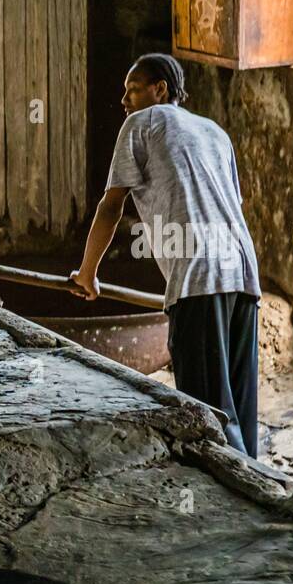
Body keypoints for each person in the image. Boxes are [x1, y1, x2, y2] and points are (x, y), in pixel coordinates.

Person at [69, 53, 262, 458]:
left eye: (133, 89)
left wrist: (87, 272)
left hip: (199, 275)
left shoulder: (141, 123)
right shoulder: (213, 131)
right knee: (239, 409)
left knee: (207, 416)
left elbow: (111, 205)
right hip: (243, 270)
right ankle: (262, 490)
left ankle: (245, 500)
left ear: (160, 89)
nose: (124, 100)